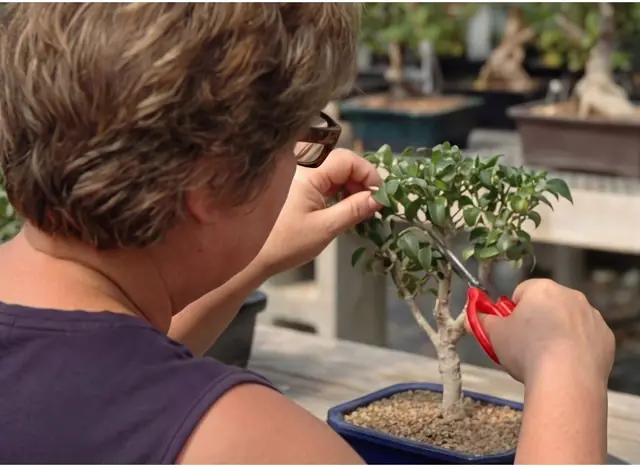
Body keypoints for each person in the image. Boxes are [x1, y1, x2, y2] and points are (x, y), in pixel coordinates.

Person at [0, 3, 615, 465]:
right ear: (211, 182)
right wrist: (566, 373)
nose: (306, 158)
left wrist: (256, 257)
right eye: (306, 135)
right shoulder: (253, 443)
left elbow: (99, 380)